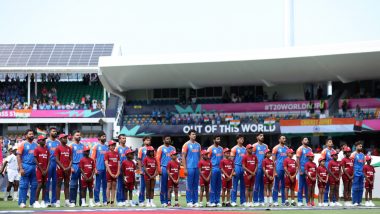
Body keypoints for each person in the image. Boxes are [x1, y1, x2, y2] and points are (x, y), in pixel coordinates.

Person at [17, 129, 38, 208]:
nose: (32, 135)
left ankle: (32, 202)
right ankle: (22, 202)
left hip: (34, 166)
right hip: (25, 165)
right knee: (24, 185)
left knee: (34, 185)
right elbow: (18, 156)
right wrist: (21, 168)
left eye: (32, 134)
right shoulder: (22, 144)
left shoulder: (36, 144)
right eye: (30, 134)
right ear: (26, 136)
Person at [182, 129, 201, 207]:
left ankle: (195, 201)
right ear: (189, 135)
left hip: (197, 168)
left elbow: (200, 157)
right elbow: (183, 157)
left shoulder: (198, 145)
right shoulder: (186, 145)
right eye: (193, 134)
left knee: (196, 185)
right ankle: (189, 201)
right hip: (189, 167)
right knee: (189, 185)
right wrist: (185, 168)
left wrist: (200, 168)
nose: (194, 135)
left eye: (195, 134)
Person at [156, 135, 175, 207]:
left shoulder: (173, 148)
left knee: (170, 186)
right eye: (167, 139)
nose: (168, 140)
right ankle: (162, 201)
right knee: (163, 186)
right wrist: (159, 169)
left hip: (171, 169)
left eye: (169, 139)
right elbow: (157, 159)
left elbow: (175, 159)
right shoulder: (160, 148)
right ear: (163, 140)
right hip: (163, 168)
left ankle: (168, 201)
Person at [91, 131, 108, 206]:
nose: (104, 138)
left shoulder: (107, 147)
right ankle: (97, 201)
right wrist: (95, 169)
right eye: (103, 136)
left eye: (105, 136)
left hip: (106, 170)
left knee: (105, 186)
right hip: (98, 169)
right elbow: (93, 159)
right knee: (97, 185)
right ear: (99, 138)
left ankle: (105, 200)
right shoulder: (96, 147)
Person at [55, 133, 72, 208]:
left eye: (66, 138)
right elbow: (56, 159)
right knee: (58, 185)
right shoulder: (58, 148)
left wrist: (68, 167)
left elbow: (71, 159)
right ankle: (58, 202)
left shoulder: (69, 148)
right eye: (64, 138)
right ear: (60, 139)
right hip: (60, 169)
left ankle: (67, 202)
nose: (66, 139)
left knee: (67, 185)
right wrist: (63, 167)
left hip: (67, 169)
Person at [44, 127, 60, 206]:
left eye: (56, 131)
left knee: (55, 183)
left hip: (56, 164)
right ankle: (46, 201)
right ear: (50, 132)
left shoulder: (58, 142)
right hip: (48, 164)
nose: (55, 132)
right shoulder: (46, 141)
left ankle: (54, 201)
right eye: (53, 131)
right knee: (47, 183)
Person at [207, 135, 223, 207]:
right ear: (214, 140)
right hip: (213, 168)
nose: (219, 140)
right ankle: (212, 201)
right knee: (213, 185)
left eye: (219, 139)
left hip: (219, 169)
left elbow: (222, 160)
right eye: (217, 139)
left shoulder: (221, 149)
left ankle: (217, 201)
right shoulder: (210, 149)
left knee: (219, 186)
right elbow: (207, 159)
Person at [69, 130, 84, 207]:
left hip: (82, 167)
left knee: (82, 185)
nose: (79, 136)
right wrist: (71, 167)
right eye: (77, 135)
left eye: (79, 135)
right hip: (74, 166)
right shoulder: (71, 146)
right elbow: (69, 157)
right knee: (73, 185)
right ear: (74, 136)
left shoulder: (83, 146)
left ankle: (82, 202)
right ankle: (72, 201)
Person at [252, 132, 268, 206]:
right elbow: (251, 158)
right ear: (257, 137)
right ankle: (255, 200)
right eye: (260, 135)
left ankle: (261, 200)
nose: (262, 137)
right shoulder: (254, 146)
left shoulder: (266, 146)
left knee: (263, 185)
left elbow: (267, 157)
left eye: (263, 135)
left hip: (264, 168)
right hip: (257, 168)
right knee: (256, 184)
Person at [34, 135, 50, 208]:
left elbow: (49, 160)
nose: (44, 141)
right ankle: (36, 201)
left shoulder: (47, 149)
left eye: (45, 140)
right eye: (43, 140)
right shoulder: (37, 149)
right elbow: (35, 160)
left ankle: (43, 201)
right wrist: (41, 169)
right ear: (39, 141)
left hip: (45, 170)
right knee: (40, 185)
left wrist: (46, 169)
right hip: (39, 170)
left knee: (45, 185)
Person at [230, 134, 246, 207]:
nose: (242, 140)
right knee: (235, 185)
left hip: (243, 167)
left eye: (243, 139)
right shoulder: (234, 148)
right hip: (236, 166)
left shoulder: (245, 149)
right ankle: (233, 201)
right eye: (240, 139)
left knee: (243, 185)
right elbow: (231, 161)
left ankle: (243, 201)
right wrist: (232, 171)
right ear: (237, 140)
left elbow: (246, 160)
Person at [272, 135, 288, 206]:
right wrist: (274, 171)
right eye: (283, 138)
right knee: (276, 185)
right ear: (279, 140)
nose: (284, 139)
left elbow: (288, 160)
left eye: (285, 138)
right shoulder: (275, 148)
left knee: (284, 186)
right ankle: (275, 201)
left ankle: (283, 201)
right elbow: (273, 161)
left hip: (285, 169)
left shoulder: (287, 148)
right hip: (278, 169)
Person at [296, 137, 312, 206]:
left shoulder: (310, 149)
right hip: (302, 168)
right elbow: (297, 160)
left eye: (307, 139)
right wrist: (299, 170)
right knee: (301, 186)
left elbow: (311, 159)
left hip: (308, 169)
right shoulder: (300, 149)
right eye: (305, 139)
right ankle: (300, 201)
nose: (307, 141)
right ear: (302, 141)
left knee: (307, 186)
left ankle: (307, 201)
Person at [104, 140, 120, 206]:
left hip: (115, 172)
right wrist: (110, 173)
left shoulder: (117, 153)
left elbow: (119, 164)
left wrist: (118, 172)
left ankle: (112, 202)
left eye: (114, 145)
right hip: (109, 172)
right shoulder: (107, 153)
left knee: (114, 187)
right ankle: (108, 201)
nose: (113, 146)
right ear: (109, 146)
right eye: (112, 145)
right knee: (109, 186)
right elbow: (106, 164)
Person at [137, 136, 152, 206]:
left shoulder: (152, 148)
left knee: (150, 187)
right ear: (144, 141)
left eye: (149, 140)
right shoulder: (141, 149)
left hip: (151, 170)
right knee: (142, 186)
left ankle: (150, 201)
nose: (148, 141)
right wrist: (140, 170)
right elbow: (139, 160)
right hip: (143, 170)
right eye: (147, 140)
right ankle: (141, 201)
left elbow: (153, 159)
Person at [350, 141, 365, 206]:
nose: (361, 147)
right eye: (359, 146)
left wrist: (363, 173)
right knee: (355, 187)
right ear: (356, 146)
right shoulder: (353, 154)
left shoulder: (362, 155)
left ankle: (359, 201)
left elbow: (364, 164)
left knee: (361, 187)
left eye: (361, 146)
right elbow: (351, 164)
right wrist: (352, 173)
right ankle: (354, 201)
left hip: (361, 173)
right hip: (355, 173)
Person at [320, 138, 334, 206]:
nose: (331, 143)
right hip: (326, 171)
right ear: (326, 144)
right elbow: (322, 161)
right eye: (329, 142)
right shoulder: (324, 151)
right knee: (326, 187)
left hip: (333, 172)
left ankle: (333, 201)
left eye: (331, 142)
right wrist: (325, 170)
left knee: (333, 187)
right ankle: (325, 201)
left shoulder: (334, 151)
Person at [116, 134, 129, 207]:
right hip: (120, 169)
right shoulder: (117, 148)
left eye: (125, 138)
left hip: (127, 169)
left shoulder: (128, 148)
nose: (124, 139)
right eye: (123, 138)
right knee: (120, 185)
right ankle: (119, 200)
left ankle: (124, 200)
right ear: (119, 140)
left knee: (125, 185)